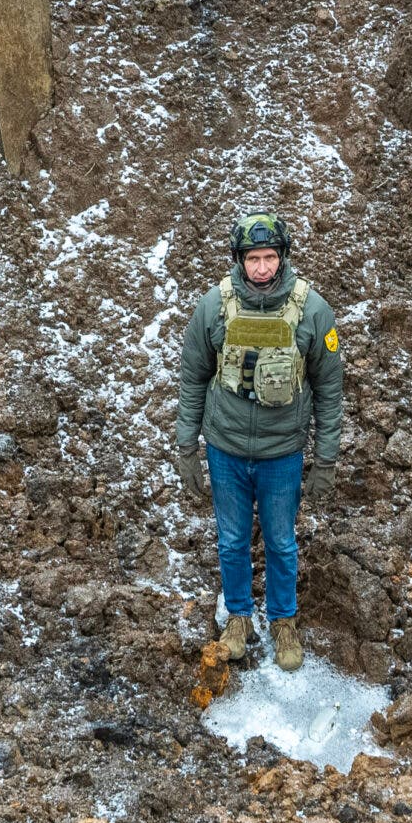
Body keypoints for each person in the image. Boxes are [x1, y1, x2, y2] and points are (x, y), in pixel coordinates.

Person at [173, 211, 344, 671]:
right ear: (240, 260)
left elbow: (330, 390)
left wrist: (325, 460)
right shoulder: (214, 306)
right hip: (225, 447)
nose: (263, 268)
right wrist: (186, 446)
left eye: (270, 257)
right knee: (231, 540)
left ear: (283, 257)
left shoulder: (313, 310)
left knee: (281, 541)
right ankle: (239, 618)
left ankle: (283, 621)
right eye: (254, 259)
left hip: (281, 453)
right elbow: (193, 378)